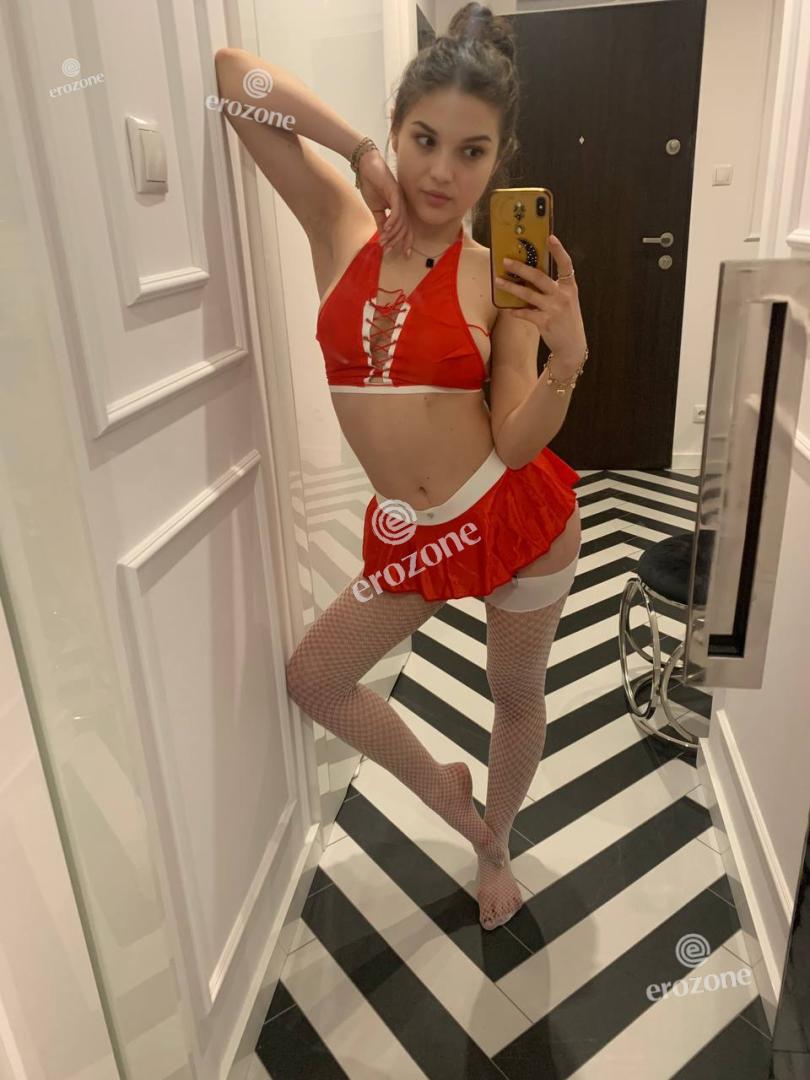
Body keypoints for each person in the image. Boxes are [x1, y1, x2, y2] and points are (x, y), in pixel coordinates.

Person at [214, 1, 589, 931]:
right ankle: (448, 795)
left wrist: (567, 361)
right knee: (315, 679)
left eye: (472, 151)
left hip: (511, 519)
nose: (442, 172)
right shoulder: (340, 223)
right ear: (396, 129)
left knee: (514, 696)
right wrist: (354, 153)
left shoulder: (499, 277)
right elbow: (233, 78)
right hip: (417, 538)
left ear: (499, 161)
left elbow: (516, 443)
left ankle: (496, 844)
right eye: (424, 139)